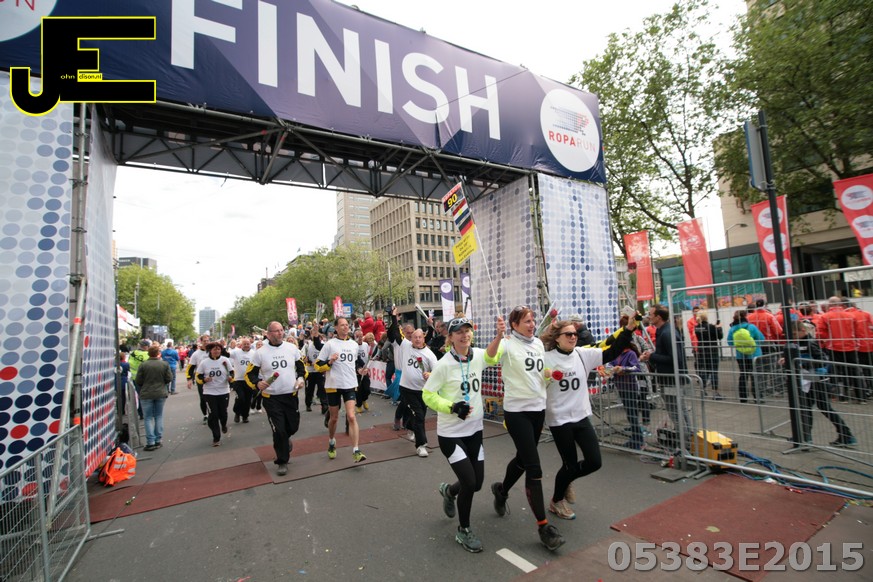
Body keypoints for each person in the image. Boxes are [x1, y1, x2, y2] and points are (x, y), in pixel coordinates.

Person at [541, 316, 637, 520]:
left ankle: (567, 479)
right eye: (568, 334)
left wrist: (628, 330)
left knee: (594, 462)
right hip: (560, 419)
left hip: (581, 416)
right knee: (569, 465)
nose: (573, 337)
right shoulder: (545, 358)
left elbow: (612, 351)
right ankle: (557, 501)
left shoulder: (582, 354)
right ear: (557, 338)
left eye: (575, 334)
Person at [486, 305, 565, 552]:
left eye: (532, 320)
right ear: (514, 325)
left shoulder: (538, 344)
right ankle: (544, 527)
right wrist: (498, 336)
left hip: (537, 409)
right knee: (533, 466)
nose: (532, 325)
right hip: (516, 412)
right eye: (527, 321)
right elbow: (489, 357)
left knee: (522, 459)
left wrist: (548, 374)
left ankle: (501, 490)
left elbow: (538, 372)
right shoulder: (507, 344)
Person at [423, 316, 501, 553]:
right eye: (459, 332)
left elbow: (492, 357)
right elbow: (428, 395)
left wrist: (499, 336)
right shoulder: (444, 364)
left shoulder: (477, 355)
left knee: (477, 483)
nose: (464, 335)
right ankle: (463, 530)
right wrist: (452, 407)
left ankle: (449, 491)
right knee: (469, 481)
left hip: (474, 431)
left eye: (467, 331)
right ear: (450, 337)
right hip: (451, 434)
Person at [781, 321, 856, 447]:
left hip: (816, 379)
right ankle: (806, 436)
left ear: (803, 331)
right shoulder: (798, 342)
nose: (793, 336)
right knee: (808, 407)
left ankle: (845, 435)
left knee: (821, 407)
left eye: (794, 333)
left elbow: (822, 360)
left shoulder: (810, 343)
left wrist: (802, 364)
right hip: (808, 379)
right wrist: (786, 358)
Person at [245, 322, 306, 476]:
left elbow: (302, 368)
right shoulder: (260, 353)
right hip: (271, 398)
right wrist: (257, 383)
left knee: (292, 427)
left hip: (291, 395)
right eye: (276, 331)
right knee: (279, 430)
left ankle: (286, 439)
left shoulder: (292, 348)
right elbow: (249, 374)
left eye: (281, 330)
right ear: (268, 334)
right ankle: (282, 461)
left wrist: (300, 379)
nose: (280, 333)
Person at [315, 317, 367, 463]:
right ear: (336, 328)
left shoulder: (354, 344)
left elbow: (355, 362)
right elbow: (318, 366)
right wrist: (330, 362)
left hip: (349, 384)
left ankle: (356, 450)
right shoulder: (329, 344)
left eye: (346, 325)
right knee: (334, 418)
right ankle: (332, 441)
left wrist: (360, 369)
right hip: (333, 385)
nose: (345, 327)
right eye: (342, 325)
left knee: (351, 416)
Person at [388, 307, 439, 458]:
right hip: (407, 389)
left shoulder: (429, 354)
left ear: (424, 338)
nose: (417, 339)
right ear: (411, 338)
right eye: (414, 337)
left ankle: (409, 426)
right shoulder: (405, 345)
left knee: (419, 414)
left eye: (419, 337)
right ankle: (421, 445)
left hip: (422, 391)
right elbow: (394, 333)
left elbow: (438, 372)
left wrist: (430, 374)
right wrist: (393, 318)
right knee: (419, 415)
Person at [640, 305, 693, 445]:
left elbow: (675, 358)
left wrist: (651, 356)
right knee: (678, 408)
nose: (649, 316)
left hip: (671, 380)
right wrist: (653, 356)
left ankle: (684, 440)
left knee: (674, 409)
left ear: (658, 317)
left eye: (651, 314)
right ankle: (687, 436)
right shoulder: (664, 331)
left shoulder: (667, 333)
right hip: (670, 378)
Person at [817, 296, 864, 403]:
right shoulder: (851, 316)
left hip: (834, 347)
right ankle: (861, 397)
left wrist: (824, 342)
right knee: (854, 371)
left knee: (837, 372)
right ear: (841, 304)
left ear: (830, 304)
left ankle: (842, 396)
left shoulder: (825, 316)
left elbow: (820, 333)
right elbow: (858, 332)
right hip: (850, 347)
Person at [135, 344, 173, 451]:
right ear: (158, 353)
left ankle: (150, 442)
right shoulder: (164, 364)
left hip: (146, 393)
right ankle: (158, 440)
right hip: (160, 392)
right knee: (158, 416)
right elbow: (169, 378)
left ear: (148, 353)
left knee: (148, 417)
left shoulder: (143, 365)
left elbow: (138, 380)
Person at [195, 341, 234, 447]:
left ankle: (224, 424)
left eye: (218, 349)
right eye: (214, 349)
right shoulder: (204, 362)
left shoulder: (225, 360)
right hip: (209, 392)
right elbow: (198, 376)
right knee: (213, 415)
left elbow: (231, 372)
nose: (216, 351)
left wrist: (231, 378)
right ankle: (216, 437)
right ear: (210, 351)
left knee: (223, 413)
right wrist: (204, 380)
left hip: (223, 391)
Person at [726, 310, 766, 404]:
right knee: (755, 375)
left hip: (740, 355)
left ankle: (743, 397)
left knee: (743, 375)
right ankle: (757, 397)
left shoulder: (733, 329)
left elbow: (730, 342)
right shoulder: (751, 327)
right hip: (755, 354)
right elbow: (761, 339)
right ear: (745, 316)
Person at [694, 312, 724, 399]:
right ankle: (715, 393)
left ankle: (702, 390)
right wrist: (719, 328)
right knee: (714, 371)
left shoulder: (697, 327)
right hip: (712, 350)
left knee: (704, 370)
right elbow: (720, 336)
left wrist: (714, 327)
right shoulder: (711, 327)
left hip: (702, 350)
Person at [229, 337, 255, 423]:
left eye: (248, 344)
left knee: (248, 400)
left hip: (249, 381)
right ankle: (237, 412)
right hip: (238, 380)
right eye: (244, 344)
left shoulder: (254, 353)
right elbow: (227, 354)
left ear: (250, 344)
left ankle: (245, 416)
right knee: (241, 398)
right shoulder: (236, 352)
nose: (246, 345)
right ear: (241, 345)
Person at [186, 335, 211, 424]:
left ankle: (213, 414)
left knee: (213, 397)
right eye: (204, 341)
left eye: (207, 340)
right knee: (203, 398)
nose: (206, 342)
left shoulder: (212, 351)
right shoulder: (196, 354)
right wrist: (189, 379)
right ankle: (205, 415)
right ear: (201, 342)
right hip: (201, 379)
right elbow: (191, 367)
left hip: (212, 379)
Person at [355, 332, 378, 413]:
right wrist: (358, 368)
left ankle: (364, 400)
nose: (360, 338)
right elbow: (356, 359)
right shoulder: (353, 345)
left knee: (367, 388)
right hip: (357, 369)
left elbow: (369, 355)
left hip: (365, 369)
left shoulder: (365, 345)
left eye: (361, 336)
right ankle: (359, 405)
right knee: (359, 389)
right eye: (358, 336)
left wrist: (367, 366)